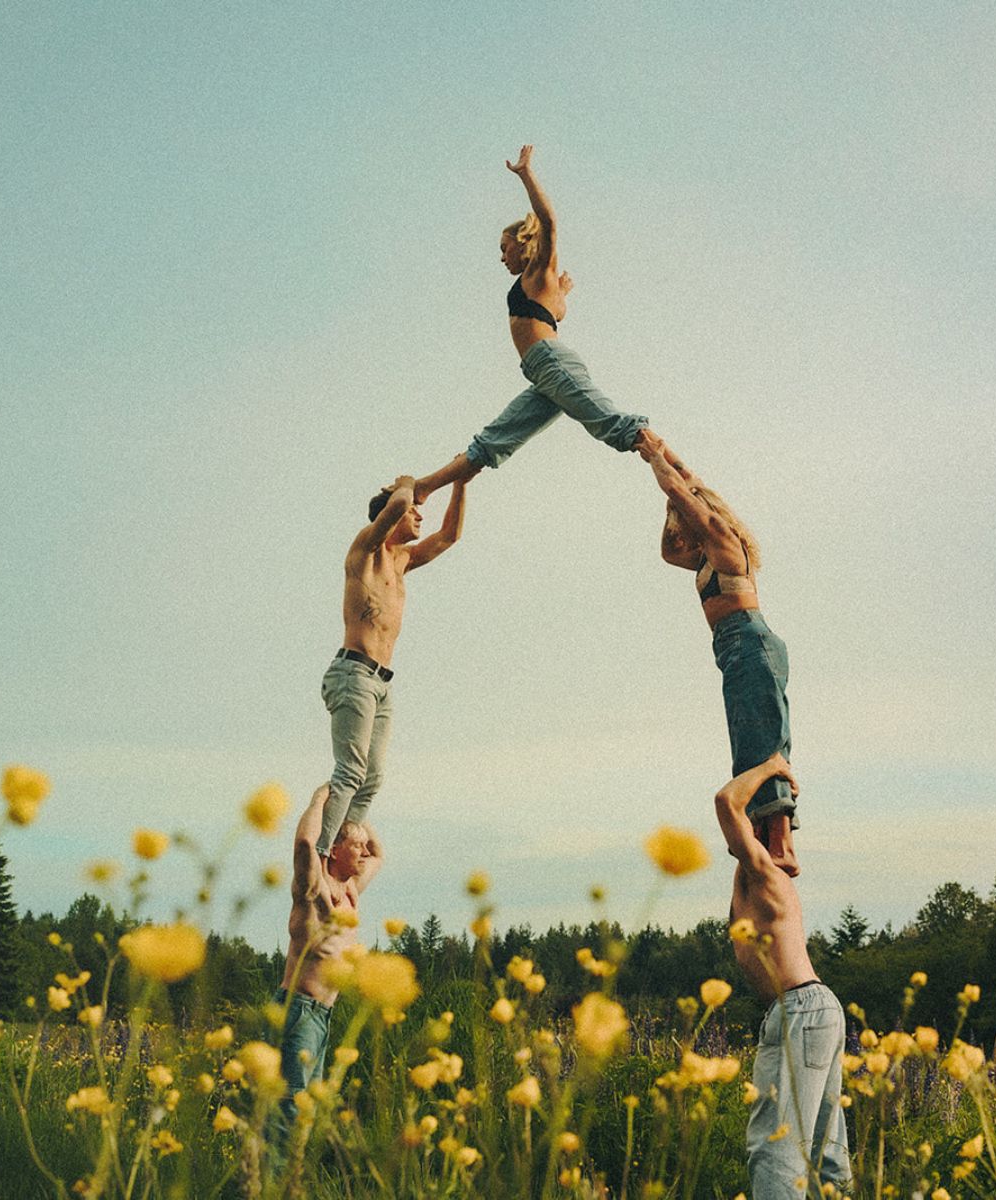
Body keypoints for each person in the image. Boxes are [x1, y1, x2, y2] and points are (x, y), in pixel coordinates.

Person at [414, 145, 656, 501]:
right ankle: (423, 488)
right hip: (541, 369)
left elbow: (550, 223)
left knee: (611, 425)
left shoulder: (538, 270)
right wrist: (562, 295)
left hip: (550, 362)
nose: (501, 257)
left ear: (523, 244)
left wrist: (526, 174)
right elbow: (551, 314)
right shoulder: (542, 285)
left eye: (504, 247)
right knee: (494, 440)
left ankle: (669, 464)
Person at [639, 436, 798, 871]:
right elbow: (669, 552)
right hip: (733, 648)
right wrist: (666, 458)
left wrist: (655, 461)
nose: (680, 526)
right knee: (749, 746)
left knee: (763, 746)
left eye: (685, 517)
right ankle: (765, 836)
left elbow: (679, 488)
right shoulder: (702, 554)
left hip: (750, 641)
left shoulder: (725, 540)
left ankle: (781, 846)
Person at [715, 756, 850, 1199]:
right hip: (810, 1009)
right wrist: (777, 817)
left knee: (777, 1149)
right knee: (826, 1153)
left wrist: (770, 766)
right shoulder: (754, 878)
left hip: (801, 1010)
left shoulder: (764, 874)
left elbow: (725, 801)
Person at [317, 475, 466, 858]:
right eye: (414, 511)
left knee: (372, 778)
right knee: (351, 771)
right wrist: (407, 483)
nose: (418, 516)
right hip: (353, 674)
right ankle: (317, 856)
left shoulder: (402, 562)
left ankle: (341, 852)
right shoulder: (365, 550)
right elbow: (399, 505)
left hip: (381, 682)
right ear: (389, 515)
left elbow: (449, 536)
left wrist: (461, 483)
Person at [276, 783, 382, 1125]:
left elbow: (379, 854)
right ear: (335, 851)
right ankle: (274, 1177)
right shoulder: (314, 890)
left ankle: (293, 1177)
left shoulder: (350, 892)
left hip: (323, 1015)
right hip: (299, 1010)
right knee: (290, 1109)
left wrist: (357, 805)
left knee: (308, 1112)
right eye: (356, 846)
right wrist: (321, 799)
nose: (365, 853)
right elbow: (306, 843)